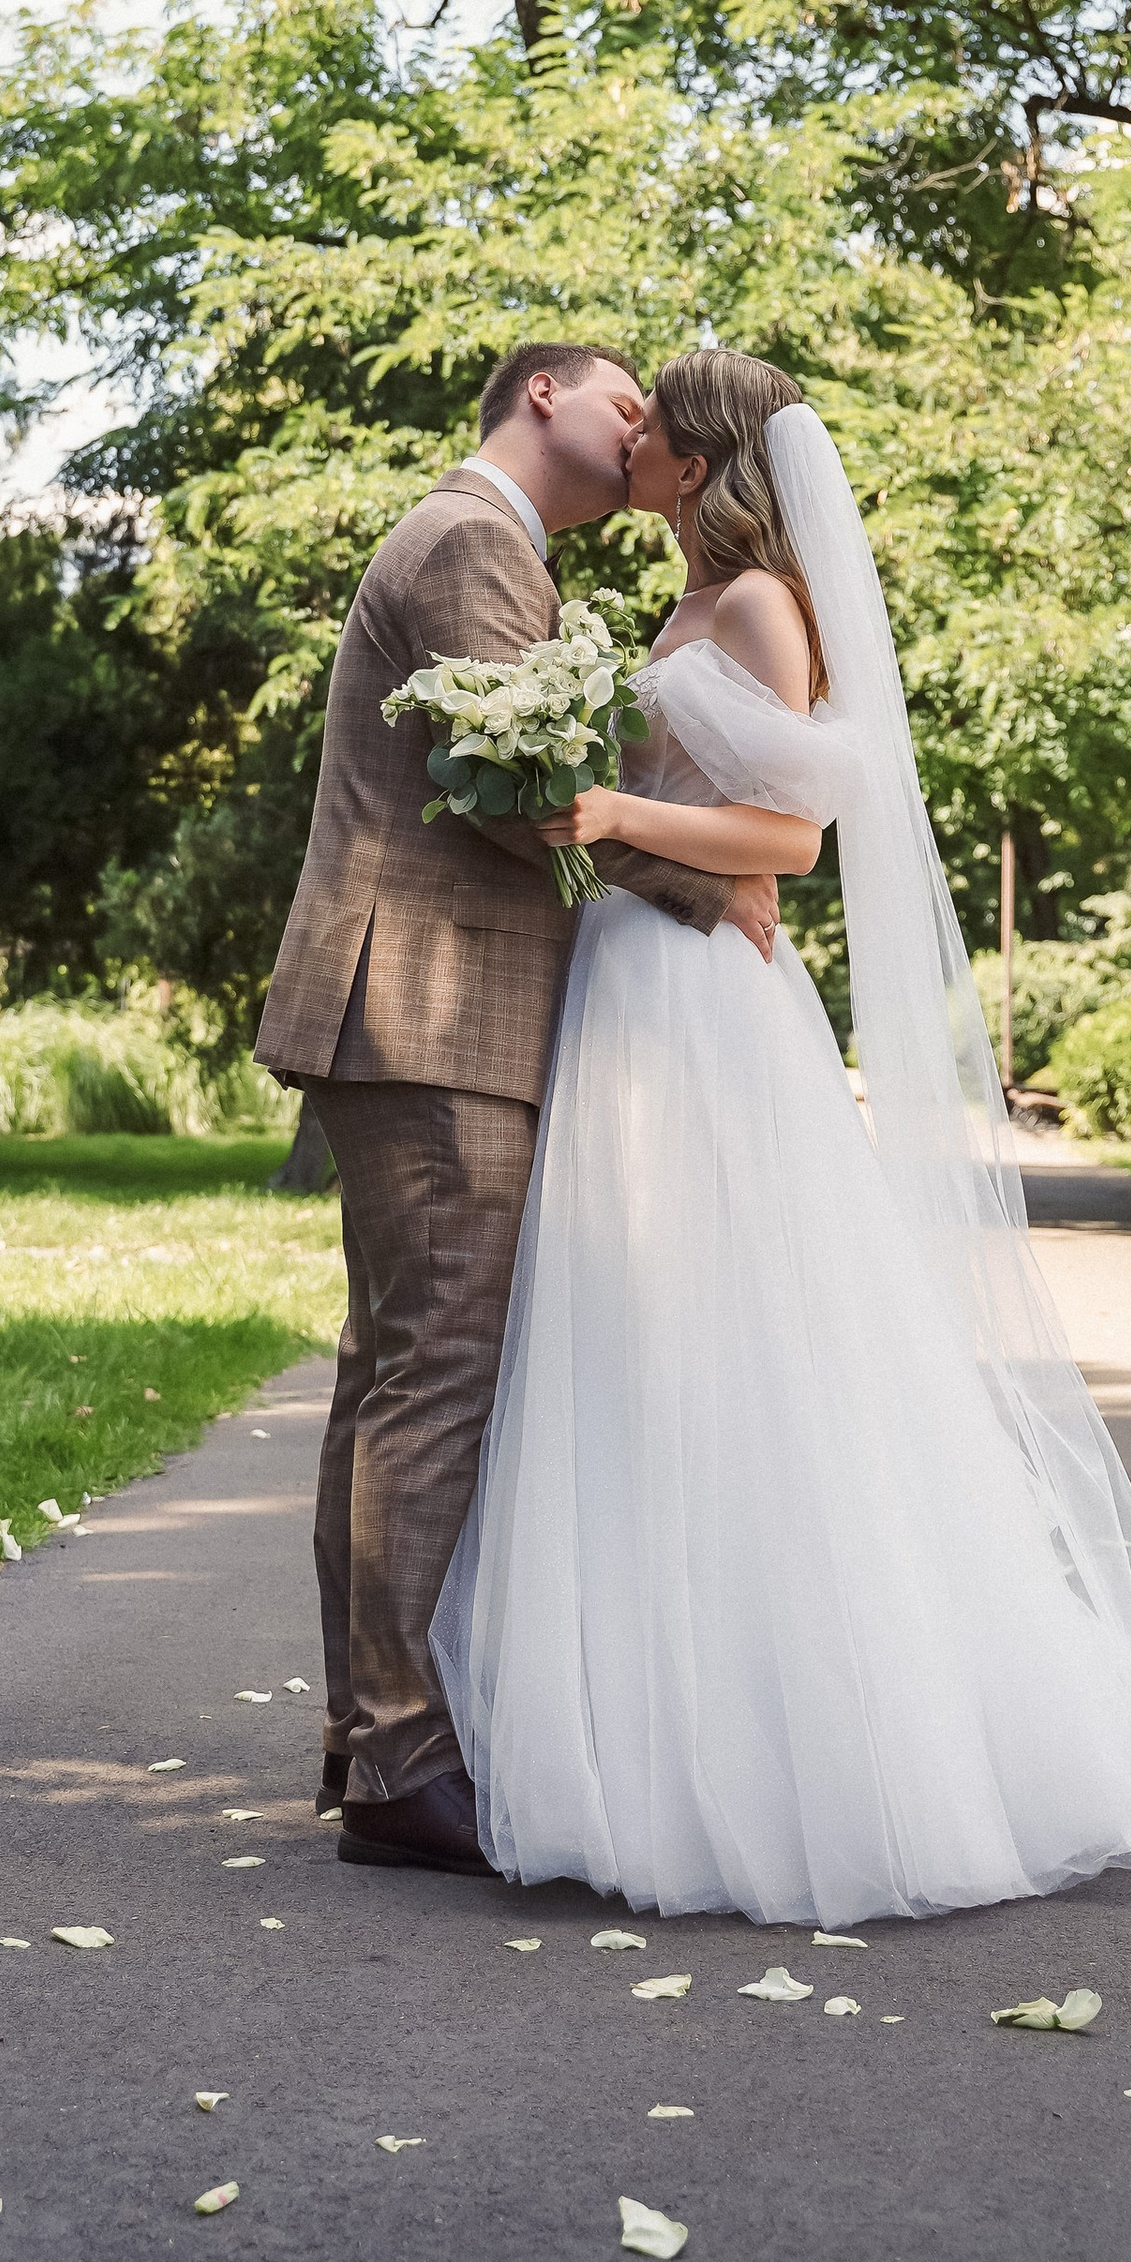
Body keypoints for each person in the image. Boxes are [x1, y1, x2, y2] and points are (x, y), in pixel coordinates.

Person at [432, 348, 1131, 1923]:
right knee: (632, 1343)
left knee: (737, 1348)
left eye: (659, 427)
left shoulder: (758, 608)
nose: (635, 442)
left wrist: (610, 815)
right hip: (633, 988)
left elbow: (790, 838)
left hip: (704, 1007)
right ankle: (629, 1734)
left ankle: (803, 1760)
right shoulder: (680, 604)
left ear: (710, 457)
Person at [256, 342, 781, 1877]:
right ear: (539, 395)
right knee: (435, 1379)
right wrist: (709, 881)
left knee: (391, 1374)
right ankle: (406, 1762)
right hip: (432, 1012)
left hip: (421, 1015)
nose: (644, 429)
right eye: (625, 397)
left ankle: (378, 1739)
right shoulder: (478, 537)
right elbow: (512, 788)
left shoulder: (496, 544)